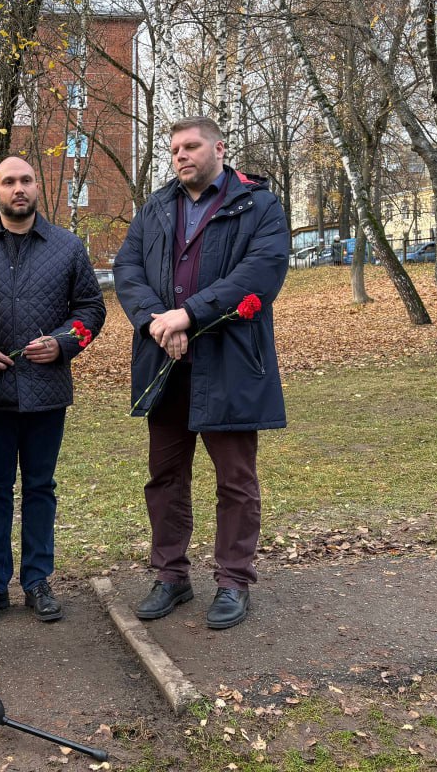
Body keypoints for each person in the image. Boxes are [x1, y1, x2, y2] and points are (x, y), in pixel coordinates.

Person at [113, 116, 289, 630]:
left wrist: (188, 315)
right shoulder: (156, 207)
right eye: (173, 150)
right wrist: (155, 321)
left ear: (219, 147)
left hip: (230, 363)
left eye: (191, 146)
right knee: (164, 476)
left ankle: (234, 580)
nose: (181, 156)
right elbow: (128, 270)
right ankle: (171, 575)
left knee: (235, 480)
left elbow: (259, 273)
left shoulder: (258, 204)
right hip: (165, 362)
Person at [0, 156, 106, 625]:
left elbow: (92, 309)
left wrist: (64, 343)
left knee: (40, 488)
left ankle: (38, 580)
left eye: (25, 180)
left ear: (36, 188)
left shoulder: (67, 247)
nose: (18, 189)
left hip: (46, 392)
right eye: (9, 182)